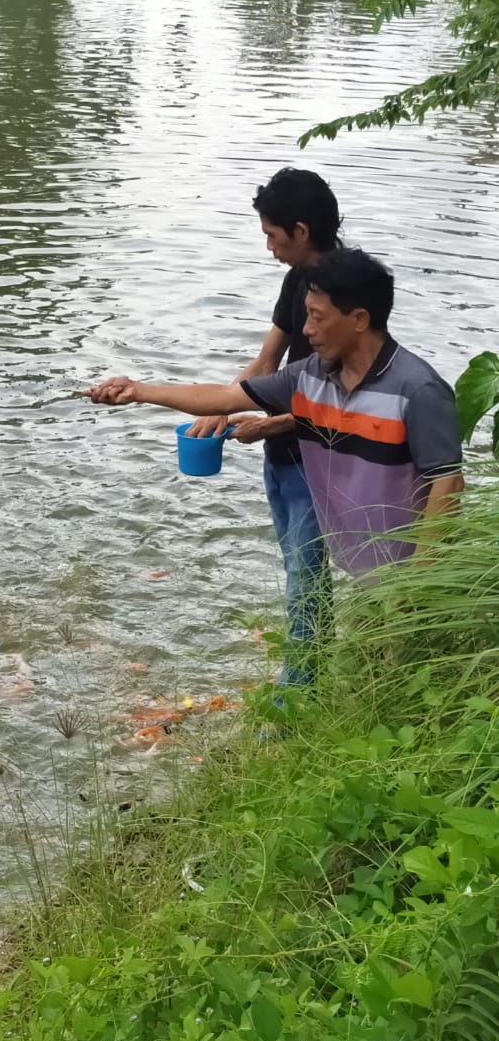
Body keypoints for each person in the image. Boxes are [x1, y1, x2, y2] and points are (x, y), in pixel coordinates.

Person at [88, 248, 463, 604]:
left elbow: (447, 481)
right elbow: (222, 397)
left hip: (417, 583)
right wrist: (138, 391)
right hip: (365, 572)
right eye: (305, 315)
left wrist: (418, 581)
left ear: (360, 320)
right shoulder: (309, 378)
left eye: (318, 316)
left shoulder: (418, 390)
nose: (307, 329)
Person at [187, 167, 342, 682]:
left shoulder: (347, 290)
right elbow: (265, 364)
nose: (269, 247)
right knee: (300, 572)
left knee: (305, 580)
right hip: (282, 453)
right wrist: (223, 407)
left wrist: (268, 425)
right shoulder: (297, 279)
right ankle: (307, 676)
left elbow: (344, 398)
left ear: (300, 230)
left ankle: (295, 699)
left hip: (319, 458)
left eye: (273, 236)